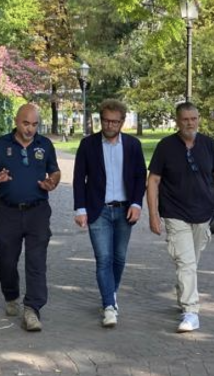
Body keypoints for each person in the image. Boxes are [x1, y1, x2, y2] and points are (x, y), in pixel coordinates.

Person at [146, 102, 214, 333]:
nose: (190, 123)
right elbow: (153, 181)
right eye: (185, 119)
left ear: (198, 119)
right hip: (175, 214)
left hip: (203, 214)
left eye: (194, 118)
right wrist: (153, 214)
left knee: (191, 262)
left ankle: (183, 294)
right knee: (186, 263)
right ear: (177, 121)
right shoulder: (165, 147)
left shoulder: (208, 144)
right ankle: (191, 311)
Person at [0, 103, 61, 332]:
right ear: (16, 121)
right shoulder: (1, 144)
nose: (30, 129)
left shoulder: (44, 144)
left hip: (38, 211)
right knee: (6, 258)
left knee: (36, 261)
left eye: (35, 124)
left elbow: (54, 170)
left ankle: (32, 309)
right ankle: (11, 294)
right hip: (9, 211)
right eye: (26, 123)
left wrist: (52, 182)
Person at [73, 99, 147, 328]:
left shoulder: (133, 145)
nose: (110, 125)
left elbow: (139, 176)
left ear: (123, 122)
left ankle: (110, 294)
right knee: (103, 258)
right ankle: (109, 305)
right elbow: (78, 179)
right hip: (98, 210)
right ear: (100, 119)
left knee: (119, 258)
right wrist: (80, 208)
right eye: (106, 120)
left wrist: (137, 203)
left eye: (115, 121)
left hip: (125, 209)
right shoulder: (88, 145)